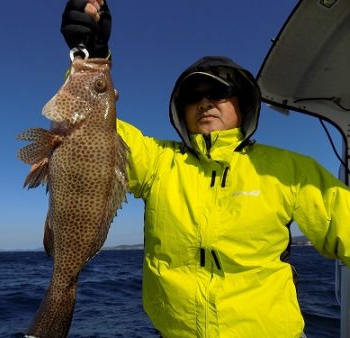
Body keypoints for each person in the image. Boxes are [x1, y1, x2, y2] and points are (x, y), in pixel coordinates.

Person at [60, 1, 350, 337]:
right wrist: (93, 55)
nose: (205, 102)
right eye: (193, 96)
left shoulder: (290, 169)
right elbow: (95, 130)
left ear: (242, 104)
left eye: (219, 92)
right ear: (181, 111)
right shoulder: (158, 162)